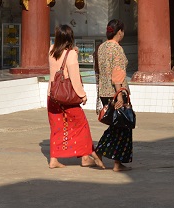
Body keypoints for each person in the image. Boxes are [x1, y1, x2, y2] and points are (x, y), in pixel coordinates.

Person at [47, 24, 104, 169]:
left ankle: (54, 159)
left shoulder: (51, 50)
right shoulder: (71, 54)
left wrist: (73, 51)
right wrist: (82, 95)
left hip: (52, 95)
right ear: (70, 38)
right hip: (66, 98)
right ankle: (85, 157)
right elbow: (74, 79)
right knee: (81, 125)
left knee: (56, 127)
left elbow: (62, 56)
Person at [95, 19, 133, 172]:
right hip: (116, 92)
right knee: (124, 126)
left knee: (116, 127)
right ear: (119, 32)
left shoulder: (102, 47)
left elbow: (99, 70)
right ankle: (115, 161)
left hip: (104, 92)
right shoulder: (116, 49)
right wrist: (119, 96)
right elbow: (117, 73)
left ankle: (105, 155)